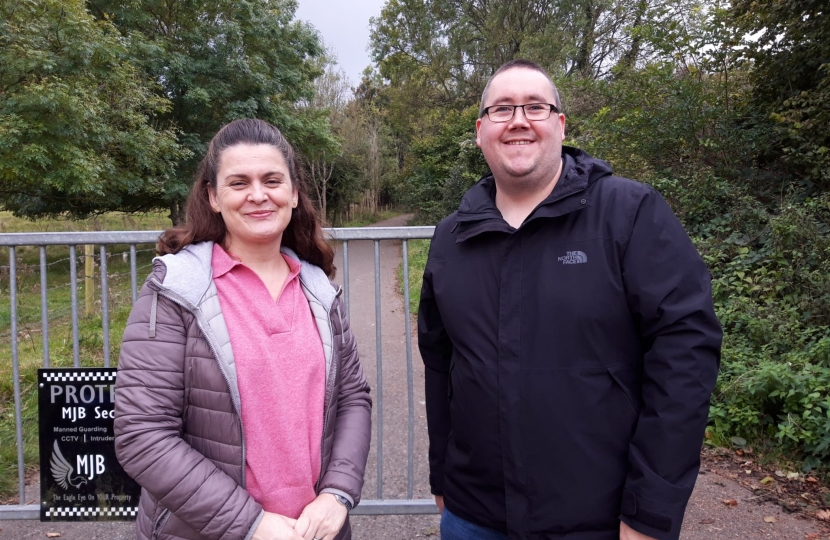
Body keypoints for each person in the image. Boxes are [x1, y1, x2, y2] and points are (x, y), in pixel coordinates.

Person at [418, 60, 722, 540]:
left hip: (597, 518)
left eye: (535, 106)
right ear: (480, 132)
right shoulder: (451, 238)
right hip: (472, 516)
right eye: (501, 109)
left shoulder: (629, 213)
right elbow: (442, 367)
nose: (519, 119)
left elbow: (684, 361)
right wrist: (442, 477)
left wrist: (650, 510)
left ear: (560, 125)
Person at [114, 118, 371, 540]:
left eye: (272, 179)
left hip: (314, 530)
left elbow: (353, 399)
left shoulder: (320, 291)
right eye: (238, 182)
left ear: (292, 193)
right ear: (213, 197)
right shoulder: (176, 290)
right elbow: (142, 434)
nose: (258, 195)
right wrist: (250, 524)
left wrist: (338, 494)